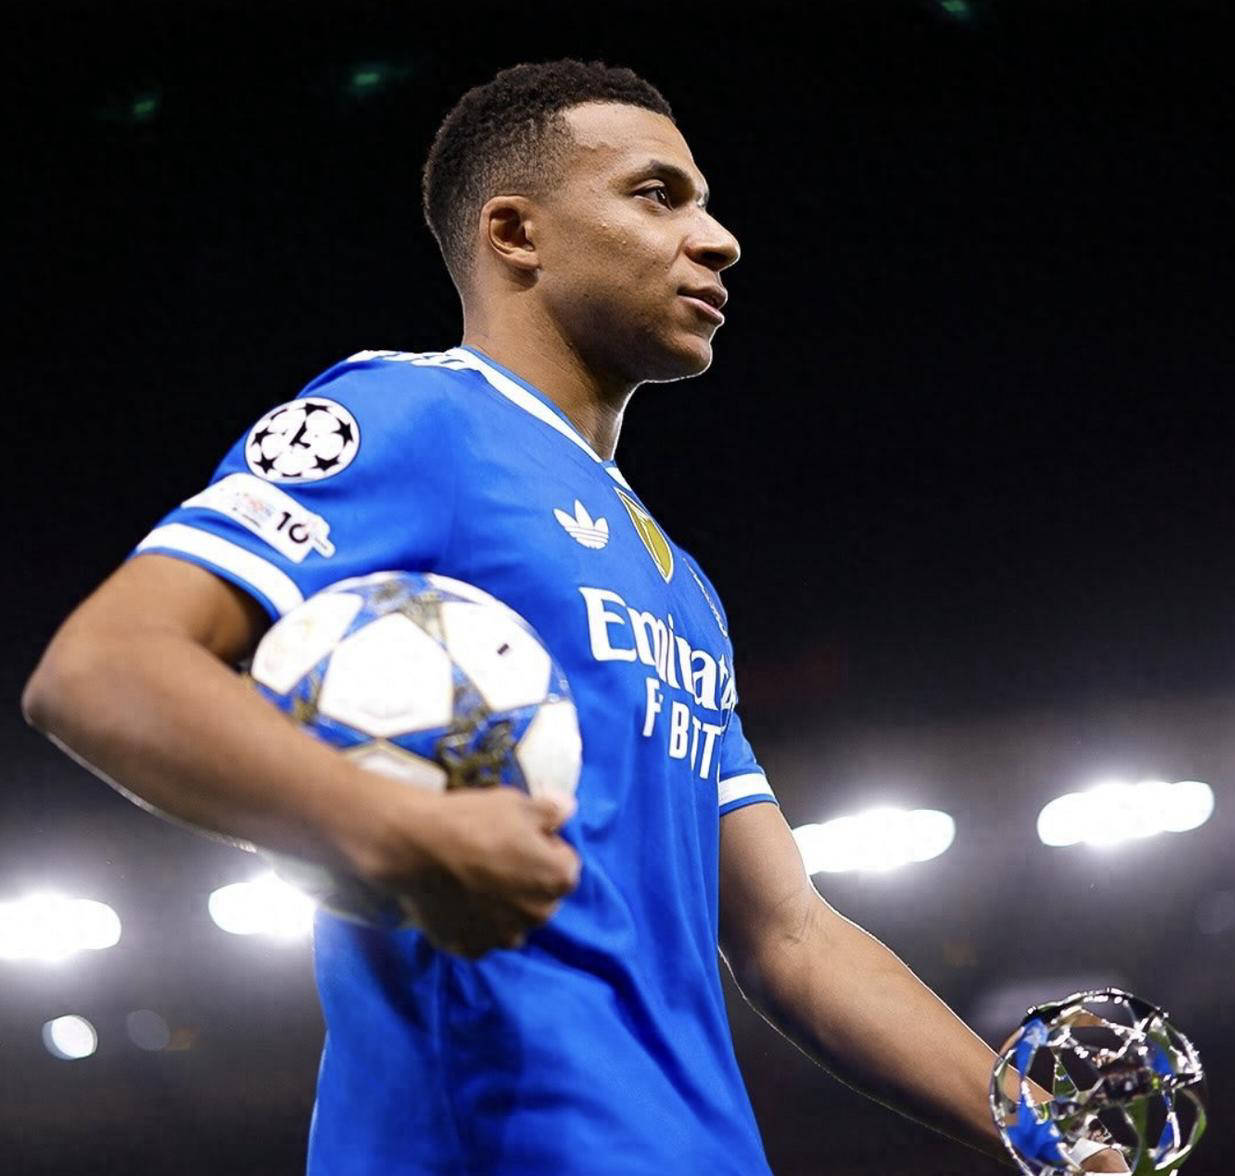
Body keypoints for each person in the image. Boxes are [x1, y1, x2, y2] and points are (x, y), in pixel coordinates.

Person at [23, 59, 1124, 1175]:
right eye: (659, 196)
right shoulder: (413, 413)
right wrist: (394, 829)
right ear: (516, 233)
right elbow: (104, 669)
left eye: (704, 204)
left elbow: (791, 933)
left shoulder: (681, 583)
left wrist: (1048, 1136)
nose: (719, 239)